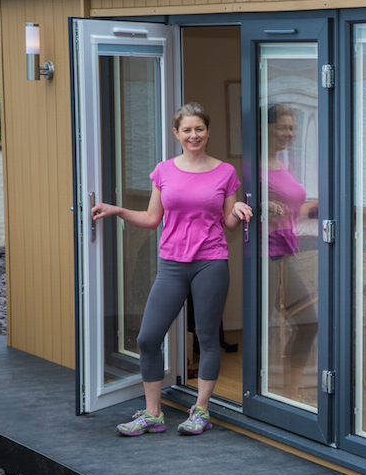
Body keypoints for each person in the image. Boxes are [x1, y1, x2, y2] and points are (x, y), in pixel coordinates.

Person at [92, 102, 253, 436]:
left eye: (199, 129)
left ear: (208, 131)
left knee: (208, 339)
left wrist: (237, 208)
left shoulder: (225, 172)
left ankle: (201, 410)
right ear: (176, 133)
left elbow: (229, 224)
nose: (194, 135)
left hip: (210, 261)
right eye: (187, 129)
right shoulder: (164, 170)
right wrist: (117, 209)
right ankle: (153, 414)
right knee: (148, 338)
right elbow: (153, 220)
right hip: (171, 264)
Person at [261, 104, 318, 401]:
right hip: (263, 255)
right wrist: (262, 206)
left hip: (285, 252)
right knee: (264, 328)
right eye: (283, 127)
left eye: (293, 127)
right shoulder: (251, 166)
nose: (289, 133)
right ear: (266, 128)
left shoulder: (284, 163)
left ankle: (290, 396)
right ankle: (261, 395)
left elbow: (294, 205)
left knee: (309, 323)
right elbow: (239, 206)